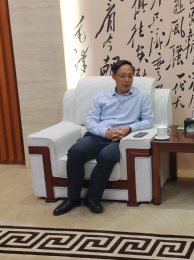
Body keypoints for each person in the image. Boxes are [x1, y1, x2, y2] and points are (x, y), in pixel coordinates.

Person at [53, 60, 154, 216]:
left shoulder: (141, 96)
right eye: (122, 76)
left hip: (120, 139)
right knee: (75, 152)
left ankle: (92, 198)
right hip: (97, 136)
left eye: (130, 76)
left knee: (107, 157)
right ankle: (72, 198)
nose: (127, 80)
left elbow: (148, 120)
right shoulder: (102, 96)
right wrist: (105, 132)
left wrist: (129, 128)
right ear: (113, 76)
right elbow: (90, 121)